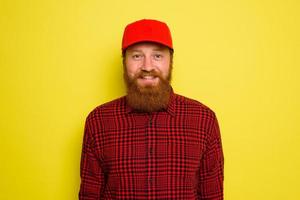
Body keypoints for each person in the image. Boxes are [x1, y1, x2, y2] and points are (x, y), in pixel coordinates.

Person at [79, 19, 224, 200]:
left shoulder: (204, 120)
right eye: (137, 56)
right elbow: (89, 195)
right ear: (124, 62)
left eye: (157, 56)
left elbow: (212, 196)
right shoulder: (98, 121)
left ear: (170, 61)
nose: (147, 67)